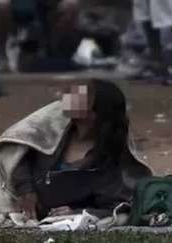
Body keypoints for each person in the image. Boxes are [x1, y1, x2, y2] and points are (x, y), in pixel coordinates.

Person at [12, 79, 151, 220]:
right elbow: (18, 158)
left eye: (82, 97)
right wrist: (26, 192)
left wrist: (79, 212)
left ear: (95, 113)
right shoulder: (52, 134)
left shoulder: (109, 158)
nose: (68, 98)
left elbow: (117, 207)